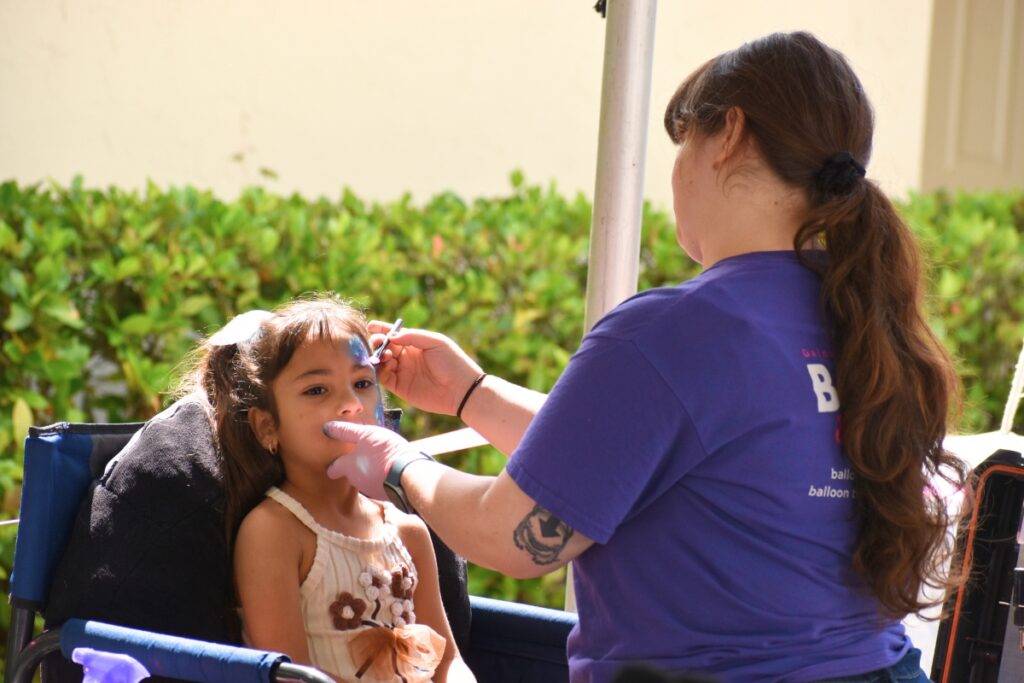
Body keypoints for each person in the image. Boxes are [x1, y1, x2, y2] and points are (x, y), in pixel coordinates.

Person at [321, 32, 969, 683]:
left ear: (731, 135)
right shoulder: (862, 317)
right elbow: (648, 457)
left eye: (683, 140)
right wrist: (473, 393)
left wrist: (398, 462)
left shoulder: (676, 330)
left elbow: (509, 535)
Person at [181, 295, 475, 683]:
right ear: (267, 427)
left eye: (362, 383)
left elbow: (448, 663)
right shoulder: (275, 531)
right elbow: (291, 676)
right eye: (317, 390)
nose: (351, 404)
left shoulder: (409, 532)